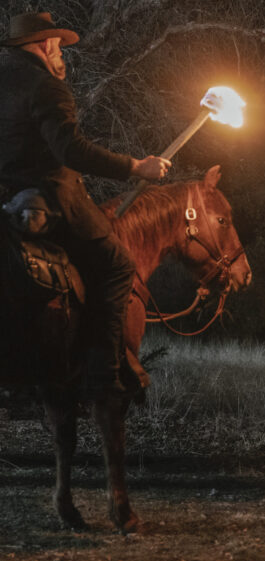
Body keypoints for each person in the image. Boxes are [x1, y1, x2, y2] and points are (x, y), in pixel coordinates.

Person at [0, 12, 171, 397]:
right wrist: (134, 167)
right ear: (45, 45)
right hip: (52, 199)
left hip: (5, 201)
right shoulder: (46, 86)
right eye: (59, 48)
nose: (62, 56)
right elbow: (70, 150)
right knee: (117, 266)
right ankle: (104, 373)